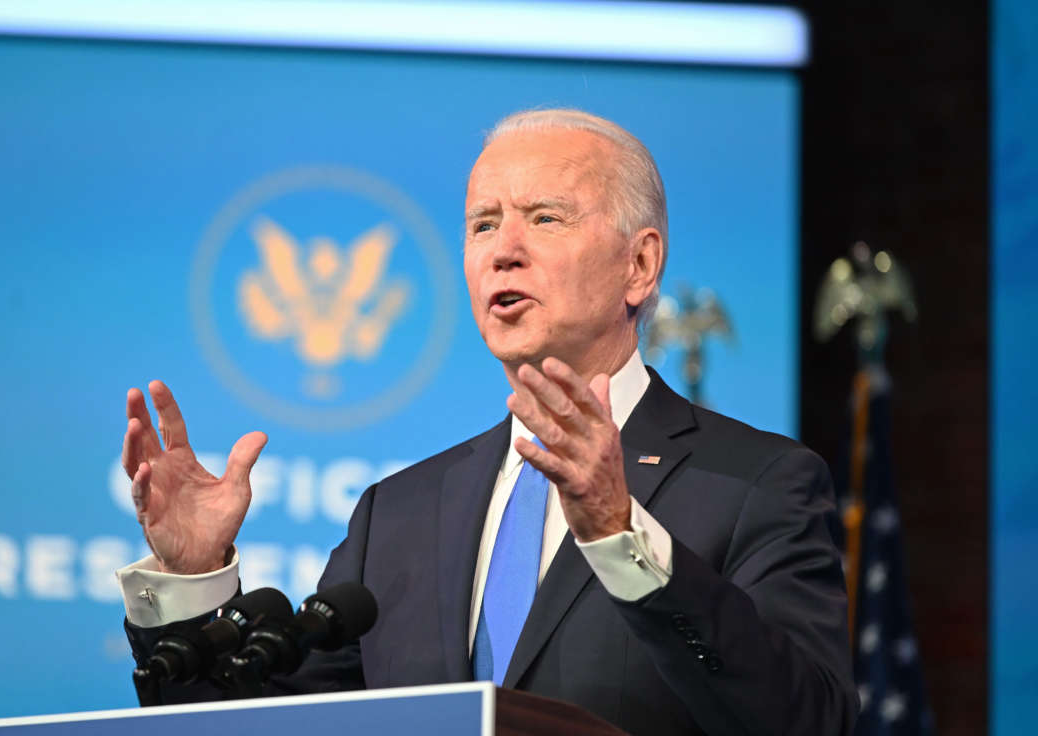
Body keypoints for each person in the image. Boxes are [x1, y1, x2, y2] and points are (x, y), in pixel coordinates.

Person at [117, 109, 857, 734]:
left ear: (640, 266)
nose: (504, 250)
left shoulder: (759, 485)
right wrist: (191, 581)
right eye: (483, 224)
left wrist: (620, 535)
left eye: (545, 218)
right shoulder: (397, 515)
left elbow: (805, 719)